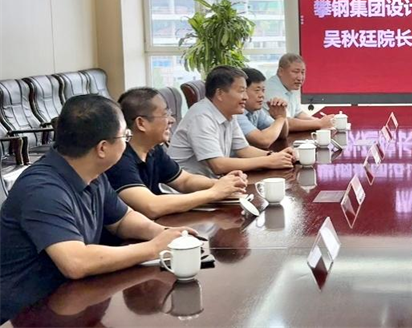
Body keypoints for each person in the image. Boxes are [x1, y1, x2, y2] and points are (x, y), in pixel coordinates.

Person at [0, 95, 193, 322]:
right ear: (102, 148)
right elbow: (76, 262)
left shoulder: (93, 173)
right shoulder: (42, 189)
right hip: (30, 313)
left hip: (73, 301)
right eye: (125, 136)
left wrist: (163, 233)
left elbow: (122, 220)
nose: (127, 142)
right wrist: (153, 248)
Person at [105, 87, 248, 219]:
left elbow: (185, 181)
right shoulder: (119, 159)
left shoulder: (154, 149)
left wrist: (224, 184)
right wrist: (214, 193)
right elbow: (151, 206)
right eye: (165, 114)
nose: (172, 120)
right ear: (141, 123)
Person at [167, 66, 295, 178]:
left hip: (212, 182)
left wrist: (276, 156)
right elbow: (218, 165)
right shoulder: (201, 117)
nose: (245, 97)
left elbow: (243, 150)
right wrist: (269, 161)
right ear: (220, 93)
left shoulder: (229, 113)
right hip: (185, 191)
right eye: (241, 91)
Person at [264, 54, 335, 132]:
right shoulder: (272, 89)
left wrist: (319, 121)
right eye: (296, 72)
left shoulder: (288, 86)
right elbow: (287, 123)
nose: (300, 77)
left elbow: (299, 113)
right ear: (281, 71)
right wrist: (320, 123)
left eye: (302, 72)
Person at [237, 68, 289, 149]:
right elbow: (263, 141)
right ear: (243, 91)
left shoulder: (256, 111)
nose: (262, 95)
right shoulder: (237, 114)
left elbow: (281, 135)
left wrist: (282, 116)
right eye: (257, 90)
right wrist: (280, 118)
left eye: (263, 90)